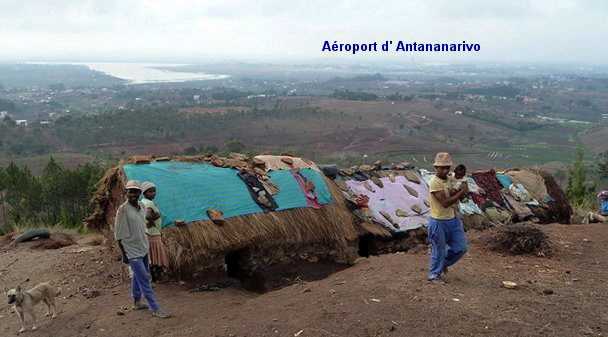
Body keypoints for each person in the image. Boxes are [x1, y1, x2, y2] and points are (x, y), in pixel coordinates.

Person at [114, 180, 171, 318]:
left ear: (140, 193)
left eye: (136, 191)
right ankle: (155, 308)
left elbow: (146, 222)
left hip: (143, 246)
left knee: (137, 277)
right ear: (126, 193)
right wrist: (124, 254)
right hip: (131, 250)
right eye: (130, 191)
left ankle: (136, 302)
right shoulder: (122, 210)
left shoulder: (142, 206)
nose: (133, 194)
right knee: (145, 277)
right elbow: (118, 236)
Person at [427, 153, 469, 283]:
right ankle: (434, 275)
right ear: (436, 168)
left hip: (453, 218)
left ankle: (443, 264)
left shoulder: (450, 179)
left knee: (461, 248)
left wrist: (463, 190)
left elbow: (457, 195)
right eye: (442, 168)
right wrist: (462, 191)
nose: (445, 170)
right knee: (438, 250)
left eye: (447, 167)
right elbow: (445, 203)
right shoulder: (434, 182)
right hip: (438, 220)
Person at [140, 181, 169, 283]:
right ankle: (158, 277)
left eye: (154, 191)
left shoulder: (142, 202)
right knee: (156, 255)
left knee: (151, 256)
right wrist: (155, 217)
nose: (153, 194)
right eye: (150, 192)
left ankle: (152, 277)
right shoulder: (149, 203)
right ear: (144, 193)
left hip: (148, 232)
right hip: (153, 233)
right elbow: (148, 215)